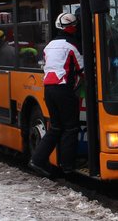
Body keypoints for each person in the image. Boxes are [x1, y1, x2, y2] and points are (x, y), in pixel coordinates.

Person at [29, 11, 83, 178]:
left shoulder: (49, 45)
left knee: (56, 127)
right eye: (74, 26)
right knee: (71, 127)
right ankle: (68, 166)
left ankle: (37, 160)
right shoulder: (72, 46)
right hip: (64, 90)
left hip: (49, 90)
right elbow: (82, 69)